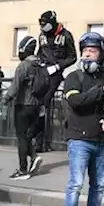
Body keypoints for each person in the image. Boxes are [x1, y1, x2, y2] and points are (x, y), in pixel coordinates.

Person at [61, 31, 104, 206]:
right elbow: (76, 102)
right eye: (85, 50)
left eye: (92, 51)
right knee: (76, 183)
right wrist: (100, 91)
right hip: (79, 139)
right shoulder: (73, 77)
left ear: (100, 54)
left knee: (99, 185)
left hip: (101, 140)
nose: (87, 54)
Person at [2, 37, 46, 179]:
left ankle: (23, 169)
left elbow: (15, 88)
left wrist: (4, 99)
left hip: (23, 105)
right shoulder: (40, 65)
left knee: (21, 137)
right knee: (28, 135)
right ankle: (33, 156)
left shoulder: (23, 66)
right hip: (37, 106)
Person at [35, 10, 78, 152]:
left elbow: (73, 57)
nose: (43, 27)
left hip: (57, 74)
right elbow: (39, 53)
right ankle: (39, 142)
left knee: (48, 102)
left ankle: (71, 141)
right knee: (38, 105)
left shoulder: (65, 35)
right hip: (42, 72)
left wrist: (58, 66)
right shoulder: (42, 35)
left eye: (45, 24)